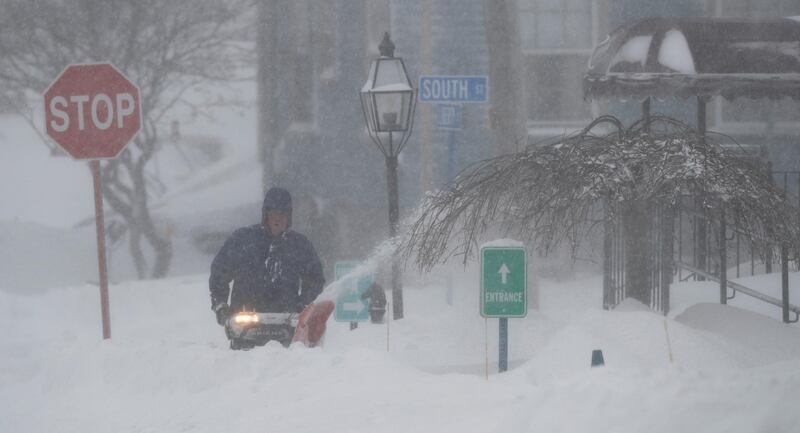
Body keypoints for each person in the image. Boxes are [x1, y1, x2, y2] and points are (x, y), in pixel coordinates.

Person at [209, 187, 326, 328]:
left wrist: (302, 306)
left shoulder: (299, 245)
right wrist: (220, 306)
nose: (278, 218)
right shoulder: (243, 240)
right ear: (266, 215)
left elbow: (315, 280)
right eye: (273, 213)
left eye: (283, 213)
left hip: (286, 325)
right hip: (244, 324)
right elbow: (219, 273)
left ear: (289, 216)